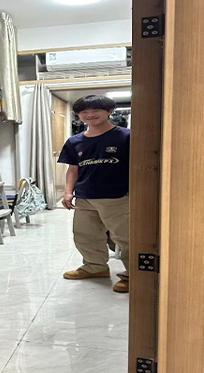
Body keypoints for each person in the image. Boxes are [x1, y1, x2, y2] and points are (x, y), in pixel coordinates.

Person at [57, 95, 130, 293]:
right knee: (85, 235)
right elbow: (73, 169)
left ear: (109, 112)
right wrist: (68, 193)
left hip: (117, 197)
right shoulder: (75, 141)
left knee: (125, 238)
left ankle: (134, 275)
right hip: (85, 197)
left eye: (96, 110)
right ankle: (95, 267)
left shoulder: (126, 136)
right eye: (84, 112)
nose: (90, 115)